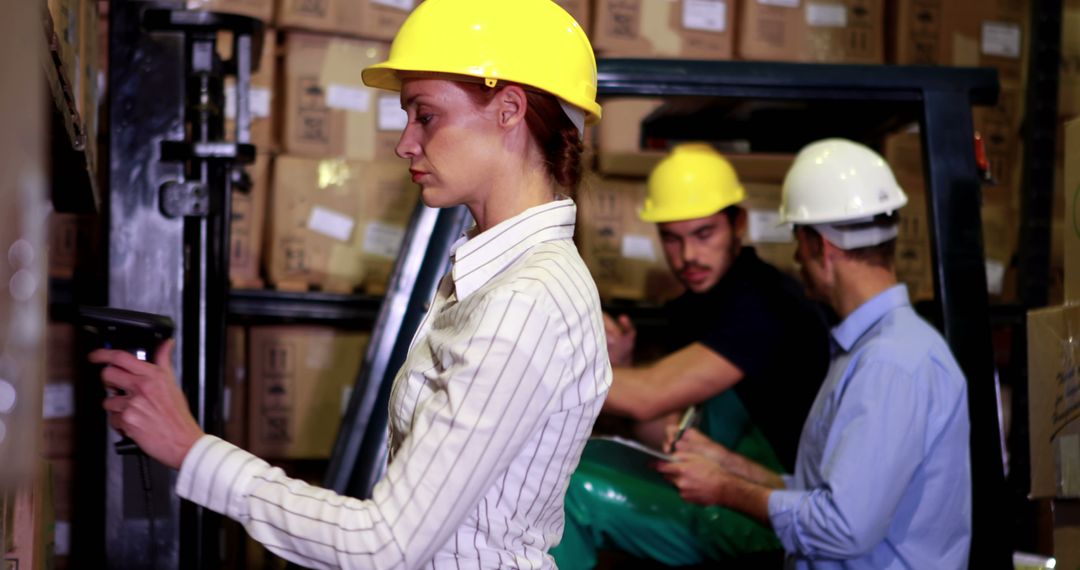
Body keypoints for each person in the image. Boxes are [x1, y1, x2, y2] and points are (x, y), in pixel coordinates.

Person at [90, 1, 612, 568]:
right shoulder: (497, 279)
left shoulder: (523, 303)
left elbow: (382, 545)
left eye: (426, 115)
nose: (405, 142)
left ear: (509, 109)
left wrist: (192, 452)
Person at [657, 138, 972, 569]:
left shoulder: (890, 364)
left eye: (798, 240)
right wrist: (728, 465)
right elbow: (826, 493)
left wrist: (724, 489)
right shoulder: (873, 351)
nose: (795, 257)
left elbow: (842, 527)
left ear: (820, 247)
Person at [552, 144, 832, 568]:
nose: (688, 257)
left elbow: (648, 396)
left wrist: (536, 363)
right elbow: (669, 435)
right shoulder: (695, 307)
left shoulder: (764, 304)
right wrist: (620, 367)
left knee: (571, 494)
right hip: (712, 488)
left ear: (738, 223)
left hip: (764, 511)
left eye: (704, 235)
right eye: (672, 238)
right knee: (571, 466)